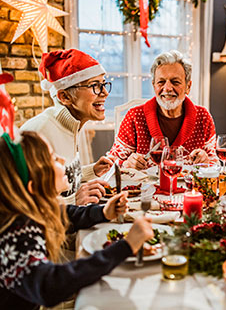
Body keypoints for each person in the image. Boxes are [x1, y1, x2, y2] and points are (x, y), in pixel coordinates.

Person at [0, 130, 154, 310]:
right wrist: (125, 246)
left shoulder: (29, 210)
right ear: (33, 187)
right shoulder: (14, 234)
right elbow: (50, 286)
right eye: (53, 159)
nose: (62, 160)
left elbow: (66, 214)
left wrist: (103, 212)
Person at [21, 49, 114, 205]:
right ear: (64, 97)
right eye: (95, 86)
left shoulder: (71, 124)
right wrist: (73, 200)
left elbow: (60, 181)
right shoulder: (38, 133)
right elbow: (23, 204)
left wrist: (92, 171)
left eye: (104, 84)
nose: (105, 92)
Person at [108, 50, 217, 169]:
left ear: (188, 87)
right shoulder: (135, 116)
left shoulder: (203, 117)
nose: (168, 88)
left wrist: (206, 161)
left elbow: (214, 163)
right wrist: (125, 164)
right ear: (154, 85)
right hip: (144, 187)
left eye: (175, 82)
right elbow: (111, 163)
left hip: (189, 187)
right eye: (161, 82)